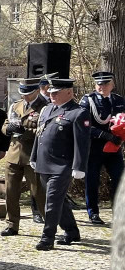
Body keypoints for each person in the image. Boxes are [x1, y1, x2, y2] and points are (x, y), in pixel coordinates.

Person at [31, 77, 91, 250]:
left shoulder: (78, 113)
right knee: (59, 200)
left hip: (62, 165)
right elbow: (39, 134)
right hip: (44, 163)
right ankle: (72, 231)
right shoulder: (47, 109)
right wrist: (34, 156)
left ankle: (47, 237)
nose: (52, 96)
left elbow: (82, 143)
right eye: (51, 92)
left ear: (69, 93)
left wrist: (79, 167)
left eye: (56, 93)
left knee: (51, 201)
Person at [1, 81, 48, 236]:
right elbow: (5, 124)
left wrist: (25, 131)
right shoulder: (16, 105)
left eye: (27, 93)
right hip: (14, 154)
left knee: (38, 192)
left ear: (36, 91)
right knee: (10, 192)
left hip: (32, 156)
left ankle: (50, 225)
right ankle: (12, 224)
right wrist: (8, 129)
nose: (24, 96)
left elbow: (45, 131)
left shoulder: (45, 106)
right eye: (22, 93)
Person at [80, 71, 125, 224]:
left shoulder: (119, 100)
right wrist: (106, 135)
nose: (102, 86)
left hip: (114, 148)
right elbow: (84, 125)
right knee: (92, 181)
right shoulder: (88, 101)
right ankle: (93, 212)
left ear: (112, 85)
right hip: (95, 148)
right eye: (99, 84)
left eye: (106, 83)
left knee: (119, 179)